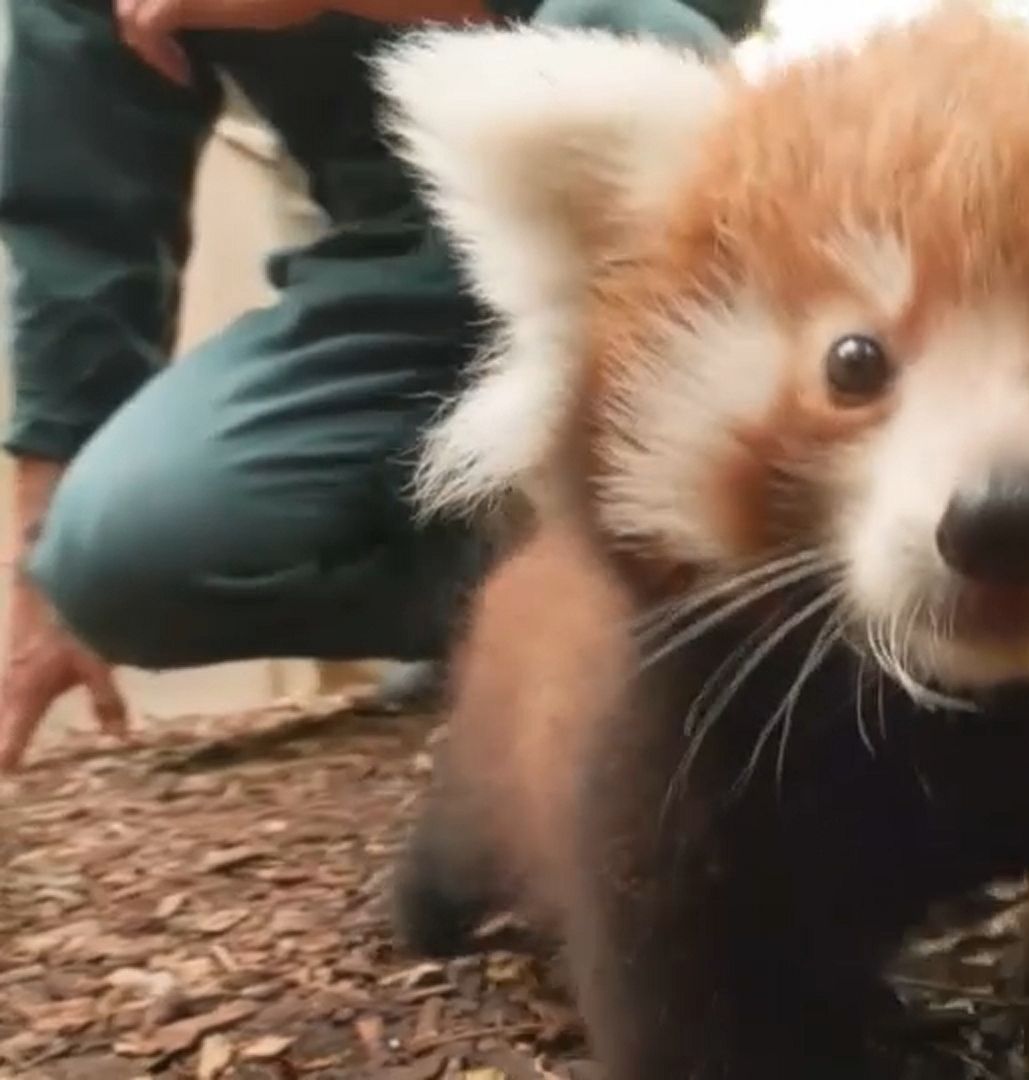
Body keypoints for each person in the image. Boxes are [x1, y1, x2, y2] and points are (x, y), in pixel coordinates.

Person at [0, 0, 766, 770]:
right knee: (114, 557)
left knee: (624, 27)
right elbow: (82, 205)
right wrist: (39, 569)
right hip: (395, 256)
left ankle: (735, 567)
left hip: (635, 205)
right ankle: (517, 607)